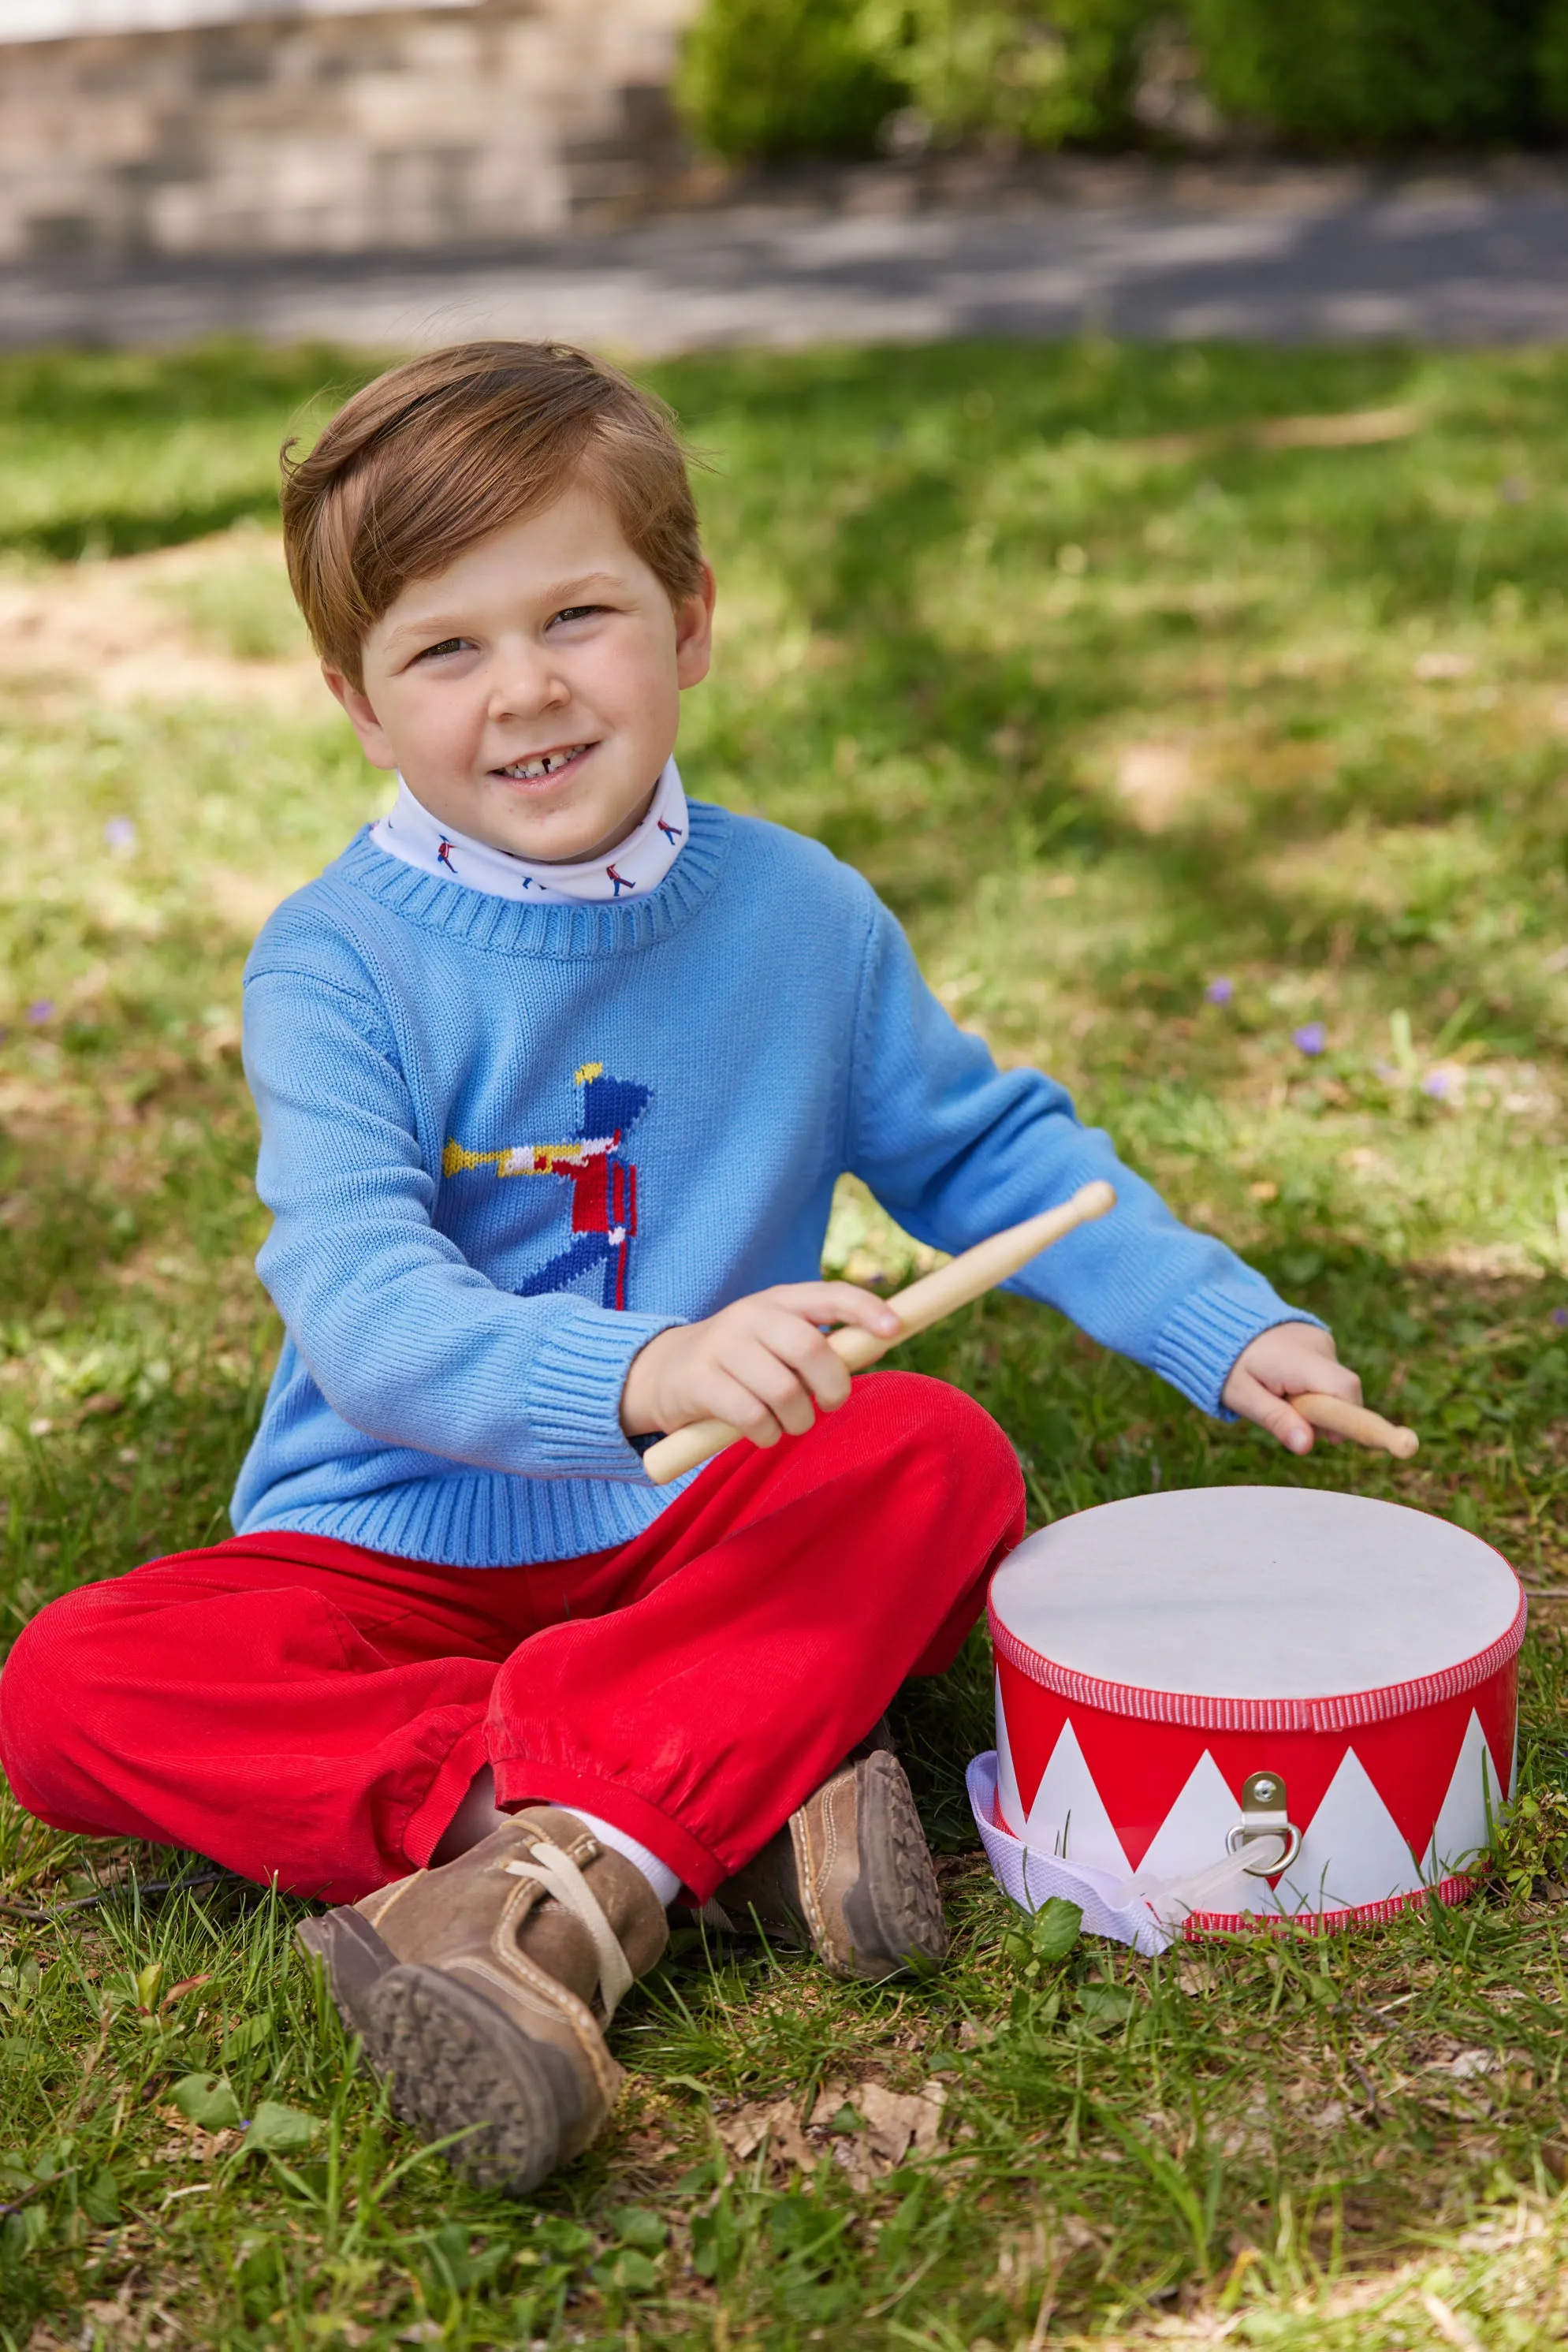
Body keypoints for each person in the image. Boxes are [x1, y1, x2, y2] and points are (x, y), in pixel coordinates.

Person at [0, 342, 1364, 2195]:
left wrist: (1223, 1322)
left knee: (932, 1456)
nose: (530, 688)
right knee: (71, 1684)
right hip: (385, 1542)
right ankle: (667, 1810)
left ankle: (578, 1854)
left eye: (581, 613)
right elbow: (372, 1316)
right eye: (446, 649)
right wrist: (646, 1368)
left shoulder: (802, 914)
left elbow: (993, 1156)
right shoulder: (333, 961)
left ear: (693, 618)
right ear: (355, 700)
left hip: (701, 1516)